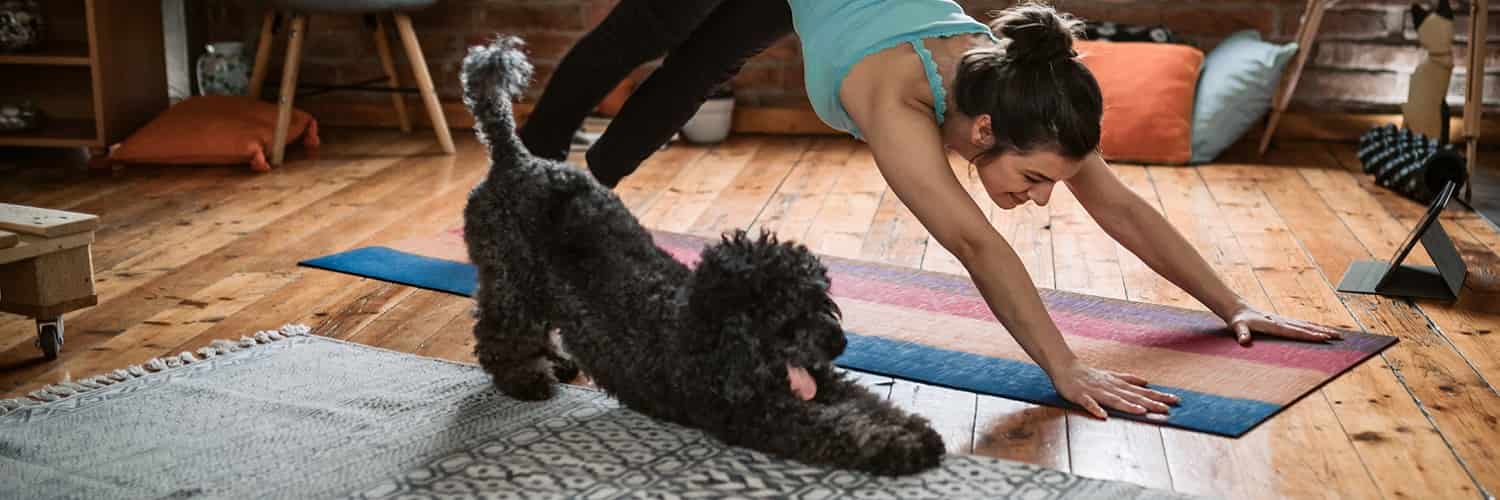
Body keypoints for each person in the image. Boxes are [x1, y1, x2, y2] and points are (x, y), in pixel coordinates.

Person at [520, 0, 1349, 420]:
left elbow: (1121, 206)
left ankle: (579, 197)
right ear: (982, 131)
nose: (1042, 198)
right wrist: (1063, 367)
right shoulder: (896, 103)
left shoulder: (1030, 100)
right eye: (1034, 179)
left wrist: (1232, 304)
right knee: (639, 38)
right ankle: (527, 171)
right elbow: (977, 247)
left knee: (692, 73)